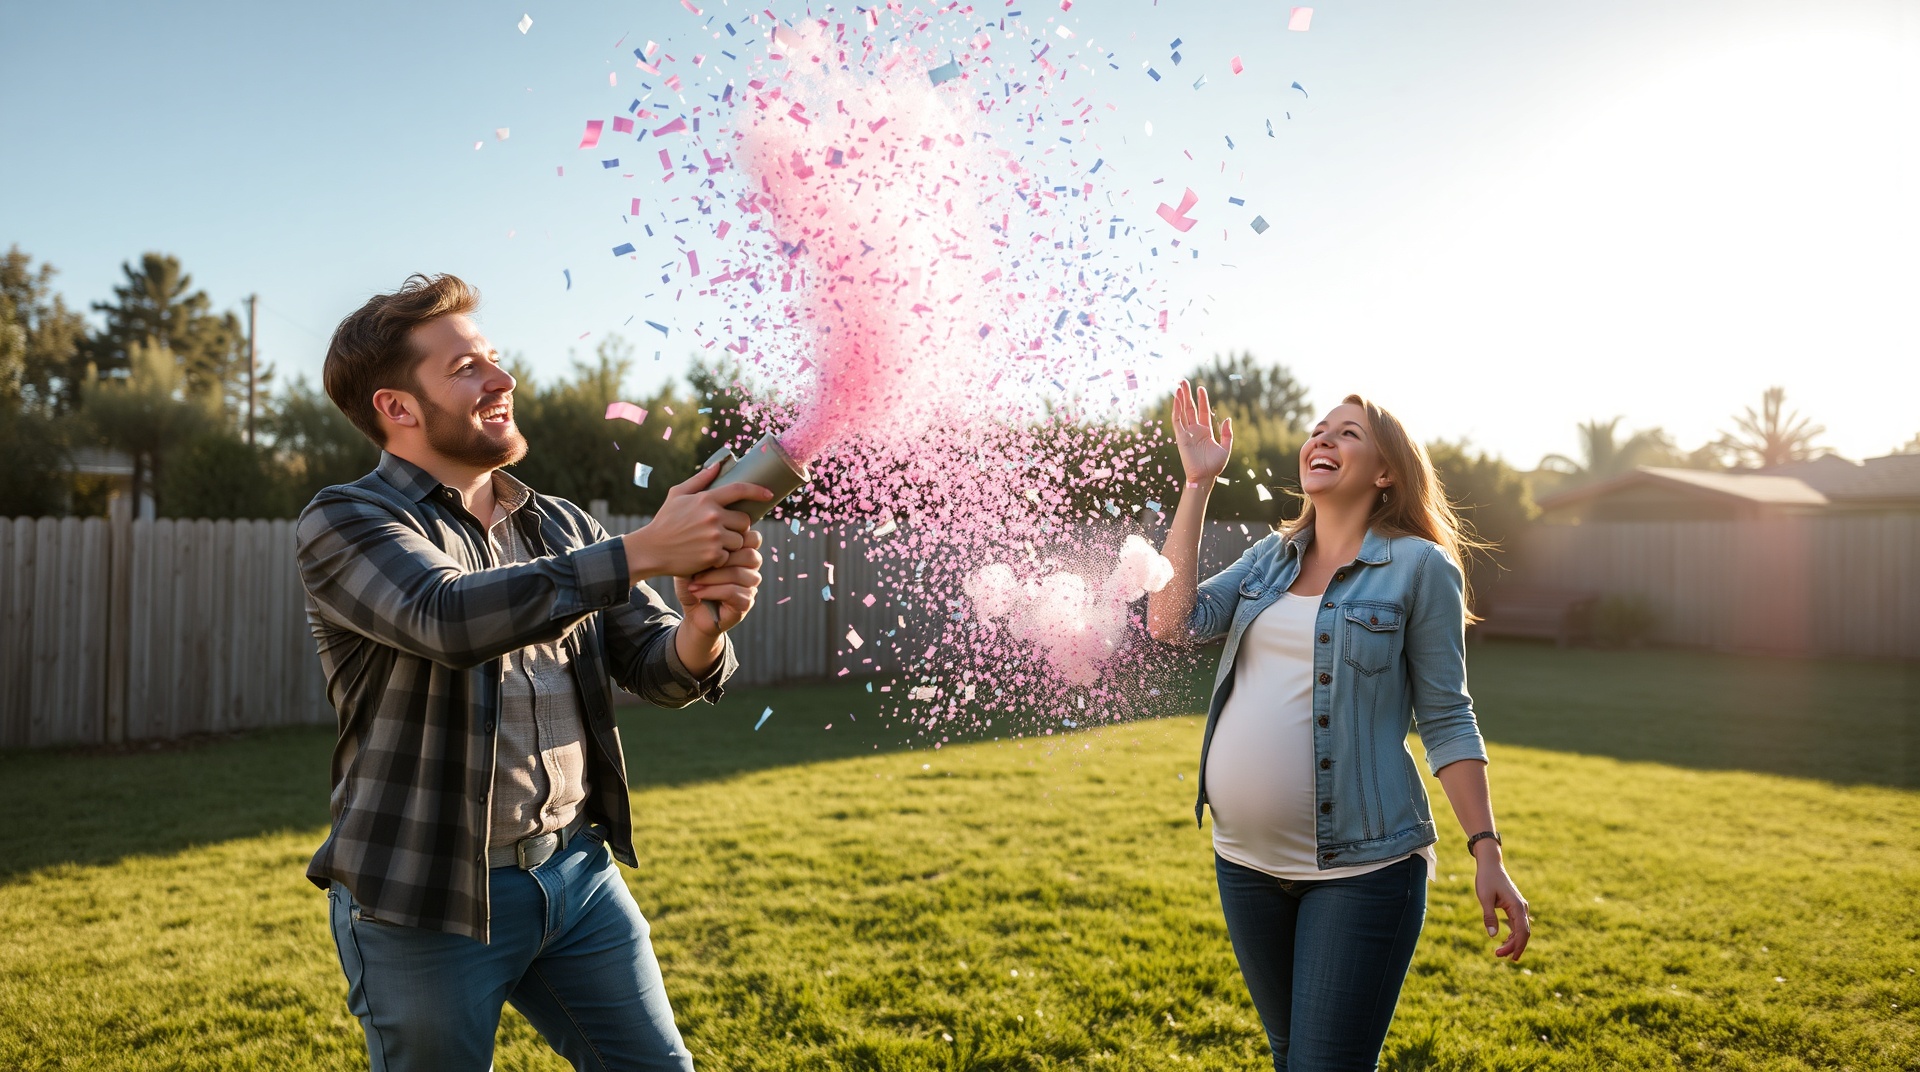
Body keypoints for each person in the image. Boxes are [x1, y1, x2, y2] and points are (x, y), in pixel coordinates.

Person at [295, 273, 771, 1071]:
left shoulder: (563, 526)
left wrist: (701, 629)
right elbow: (445, 616)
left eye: (493, 357)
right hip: (425, 899)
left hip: (577, 878)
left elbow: (656, 668)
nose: (502, 377)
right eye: (465, 368)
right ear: (396, 408)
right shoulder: (345, 519)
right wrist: (645, 550)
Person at [1147, 382, 1531, 1071]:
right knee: (1293, 1053)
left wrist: (1486, 849)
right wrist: (1197, 484)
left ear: (1385, 472)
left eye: (1348, 433)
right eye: (1319, 429)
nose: (1323, 438)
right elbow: (1171, 622)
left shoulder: (1419, 566)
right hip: (1244, 861)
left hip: (1364, 869)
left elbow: (1446, 714)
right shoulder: (1270, 557)